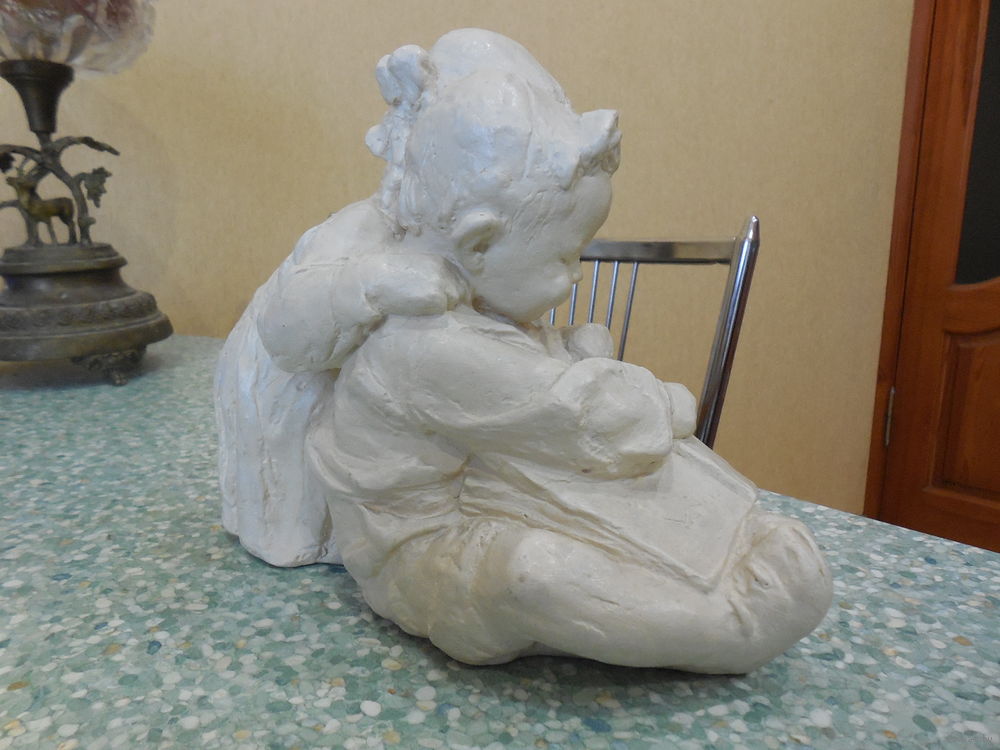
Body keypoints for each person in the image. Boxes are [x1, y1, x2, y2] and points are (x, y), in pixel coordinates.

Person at [216, 28, 832, 672]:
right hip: (420, 550)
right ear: (479, 243)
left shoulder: (469, 302)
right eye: (564, 259)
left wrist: (569, 353)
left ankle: (737, 550)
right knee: (535, 574)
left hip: (489, 485)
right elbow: (578, 414)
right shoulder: (422, 337)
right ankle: (725, 628)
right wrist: (668, 404)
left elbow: (536, 399)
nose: (575, 278)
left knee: (605, 501)